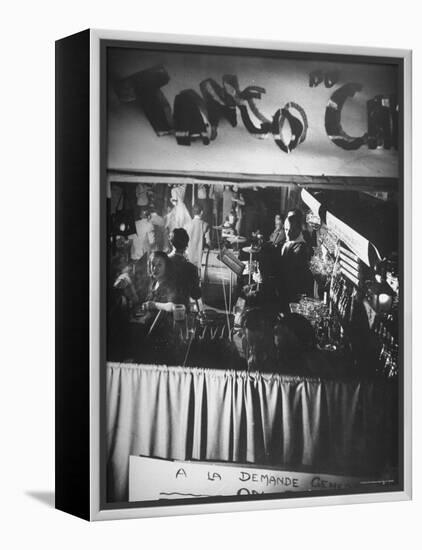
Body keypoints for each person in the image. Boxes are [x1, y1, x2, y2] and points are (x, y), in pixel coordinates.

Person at [278, 213, 313, 309]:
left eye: (292, 229)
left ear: (299, 229)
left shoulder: (301, 249)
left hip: (293, 297)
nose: (288, 233)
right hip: (285, 291)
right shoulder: (288, 243)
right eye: (286, 229)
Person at [168, 227, 203, 310]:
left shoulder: (163, 262)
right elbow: (195, 295)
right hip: (182, 310)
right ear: (186, 245)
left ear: (171, 243)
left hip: (163, 310)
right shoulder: (191, 268)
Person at [186, 204, 211, 271]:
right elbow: (208, 242)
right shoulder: (205, 225)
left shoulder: (187, 225)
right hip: (201, 258)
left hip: (189, 257)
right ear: (201, 212)